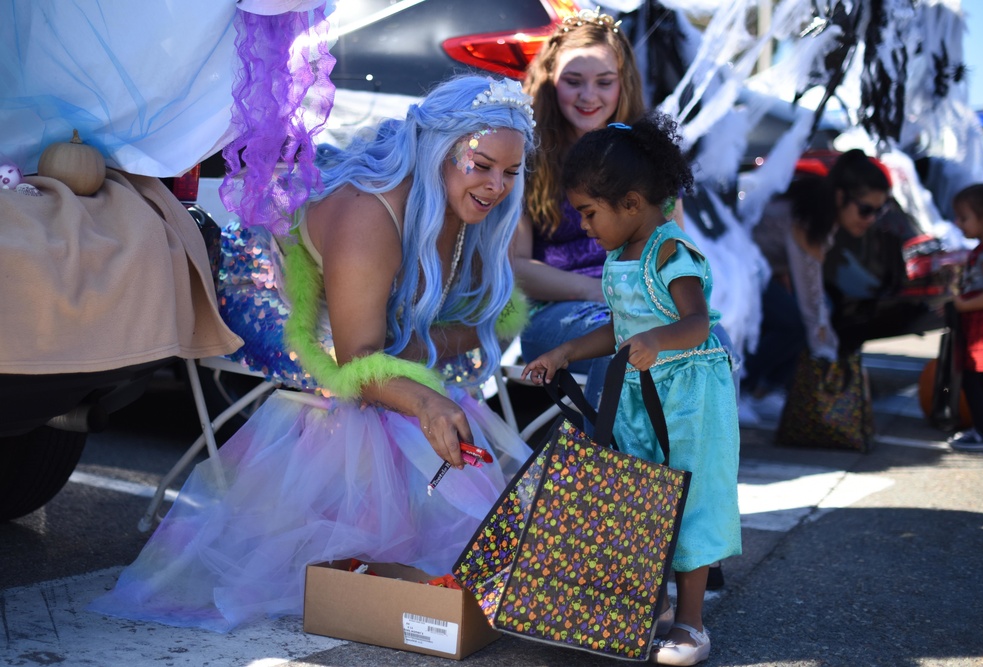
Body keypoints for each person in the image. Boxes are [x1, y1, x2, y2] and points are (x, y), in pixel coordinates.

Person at [88, 74, 538, 632]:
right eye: (482, 165)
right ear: (440, 153)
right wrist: (423, 402)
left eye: (510, 172)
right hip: (271, 296)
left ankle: (396, 558)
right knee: (377, 408)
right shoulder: (373, 218)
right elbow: (354, 364)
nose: (496, 185)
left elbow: (459, 317)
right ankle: (358, 551)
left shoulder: (464, 209)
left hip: (357, 314)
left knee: (421, 388)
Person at [521, 112, 741, 667]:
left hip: (689, 399)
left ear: (633, 203)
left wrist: (659, 341)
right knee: (645, 500)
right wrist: (565, 352)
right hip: (641, 398)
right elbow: (618, 329)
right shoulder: (622, 255)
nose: (585, 227)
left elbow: (698, 323)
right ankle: (656, 609)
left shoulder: (671, 252)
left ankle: (691, 624)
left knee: (690, 502)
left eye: (590, 214)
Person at [511, 8, 653, 409]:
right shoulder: (528, 154)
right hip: (557, 311)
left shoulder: (647, 155)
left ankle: (688, 471)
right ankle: (602, 470)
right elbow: (514, 267)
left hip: (640, 306)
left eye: (603, 82)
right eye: (574, 82)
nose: (589, 96)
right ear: (551, 80)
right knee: (622, 349)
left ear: (622, 83)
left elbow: (673, 247)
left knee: (713, 344)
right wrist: (600, 291)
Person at [741, 148, 892, 420]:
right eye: (865, 209)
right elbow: (810, 298)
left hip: (760, 270)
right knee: (796, 321)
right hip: (740, 270)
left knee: (813, 314)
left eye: (879, 211)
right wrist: (827, 356)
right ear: (840, 197)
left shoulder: (819, 209)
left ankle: (768, 389)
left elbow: (808, 285)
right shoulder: (809, 218)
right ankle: (741, 389)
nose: (870, 219)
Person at [948, 183, 983, 452]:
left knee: (974, 378)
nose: (958, 223)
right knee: (981, 378)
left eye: (964, 217)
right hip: (979, 324)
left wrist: (961, 305)